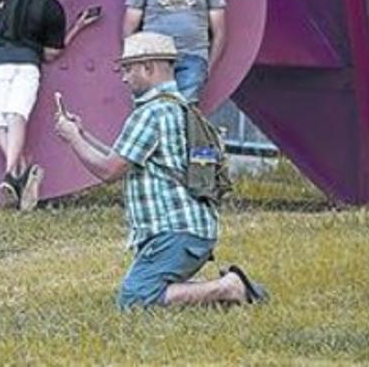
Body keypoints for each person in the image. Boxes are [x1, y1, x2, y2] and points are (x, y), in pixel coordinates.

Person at [53, 31, 267, 308]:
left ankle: (228, 287)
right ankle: (215, 294)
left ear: (149, 67)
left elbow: (110, 170)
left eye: (128, 69)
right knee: (144, 291)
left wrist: (72, 139)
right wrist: (82, 134)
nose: (123, 77)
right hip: (192, 229)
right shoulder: (178, 108)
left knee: (136, 299)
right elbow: (121, 157)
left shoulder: (149, 113)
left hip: (174, 232)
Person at [0, 0, 100, 210]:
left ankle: (17, 174)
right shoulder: (54, 10)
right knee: (16, 115)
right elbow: (51, 53)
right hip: (28, 65)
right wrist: (77, 27)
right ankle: (15, 172)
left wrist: (0, 10)